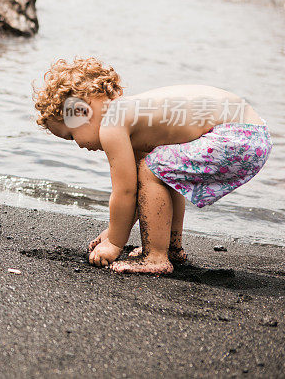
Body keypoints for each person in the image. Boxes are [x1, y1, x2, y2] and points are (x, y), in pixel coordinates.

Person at [32, 57, 273, 274]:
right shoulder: (130, 117)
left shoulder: (112, 123)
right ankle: (171, 246)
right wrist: (114, 231)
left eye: (71, 136)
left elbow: (125, 192)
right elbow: (143, 192)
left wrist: (115, 242)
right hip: (252, 133)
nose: (78, 145)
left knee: (153, 169)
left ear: (82, 111)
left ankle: (156, 257)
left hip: (236, 136)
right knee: (160, 170)